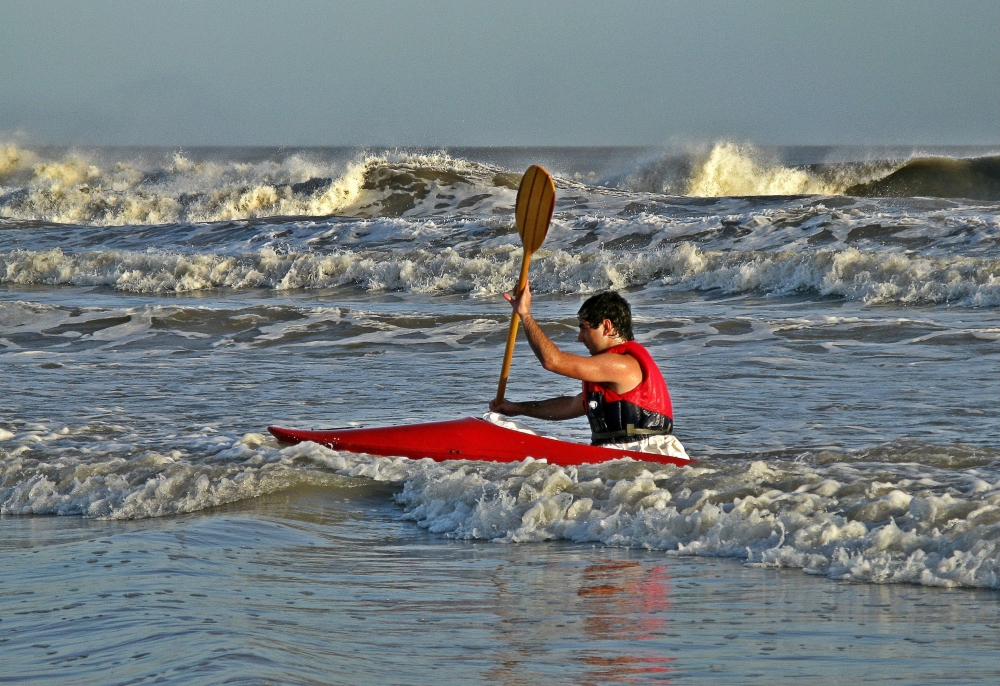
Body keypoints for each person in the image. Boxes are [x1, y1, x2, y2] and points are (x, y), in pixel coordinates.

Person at [489, 283, 685, 456]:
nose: (579, 338)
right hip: (619, 452)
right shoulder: (607, 376)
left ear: (606, 327)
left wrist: (525, 315)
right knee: (506, 426)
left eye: (584, 328)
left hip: (644, 453)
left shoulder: (623, 364)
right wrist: (516, 408)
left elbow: (552, 361)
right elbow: (568, 406)